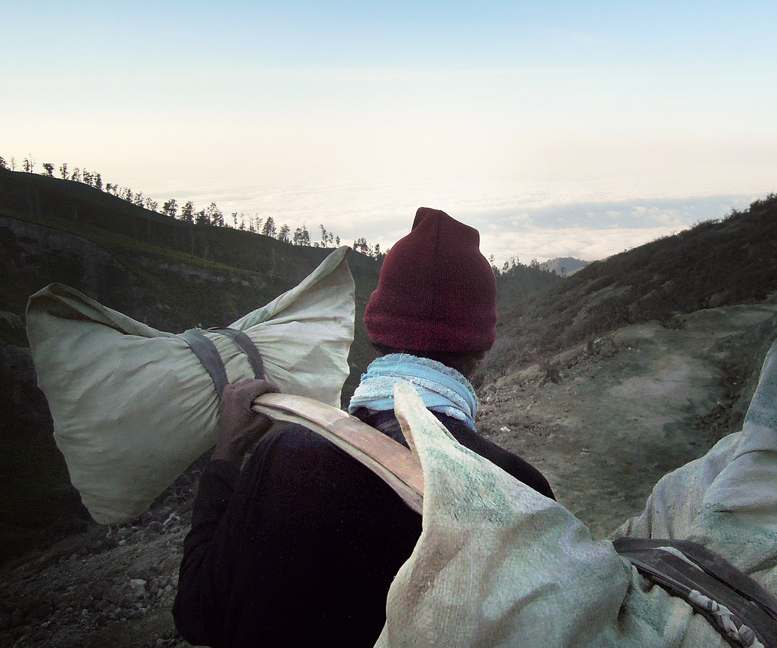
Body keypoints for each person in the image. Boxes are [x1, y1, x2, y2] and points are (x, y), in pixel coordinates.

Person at [173, 208, 555, 648]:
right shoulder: (522, 489)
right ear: (481, 348)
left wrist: (225, 456)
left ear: (374, 330)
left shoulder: (284, 458)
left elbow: (197, 615)